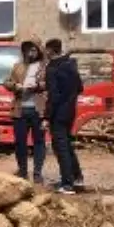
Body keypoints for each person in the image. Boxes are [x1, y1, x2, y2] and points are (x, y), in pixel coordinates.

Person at [43, 38, 84, 195]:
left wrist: (47, 117)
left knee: (61, 148)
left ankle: (67, 184)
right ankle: (77, 177)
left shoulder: (53, 68)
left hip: (58, 113)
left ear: (50, 50)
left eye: (46, 50)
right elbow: (80, 87)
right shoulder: (71, 65)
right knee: (67, 145)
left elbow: (53, 95)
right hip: (70, 112)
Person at [4, 40, 47, 184]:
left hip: (38, 110)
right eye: (28, 50)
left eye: (34, 50)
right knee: (20, 142)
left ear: (39, 51)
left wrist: (38, 85)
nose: (31, 53)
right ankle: (22, 170)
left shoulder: (44, 67)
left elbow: (50, 84)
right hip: (20, 110)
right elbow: (7, 82)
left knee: (39, 142)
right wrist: (15, 86)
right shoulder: (18, 66)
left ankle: (37, 173)